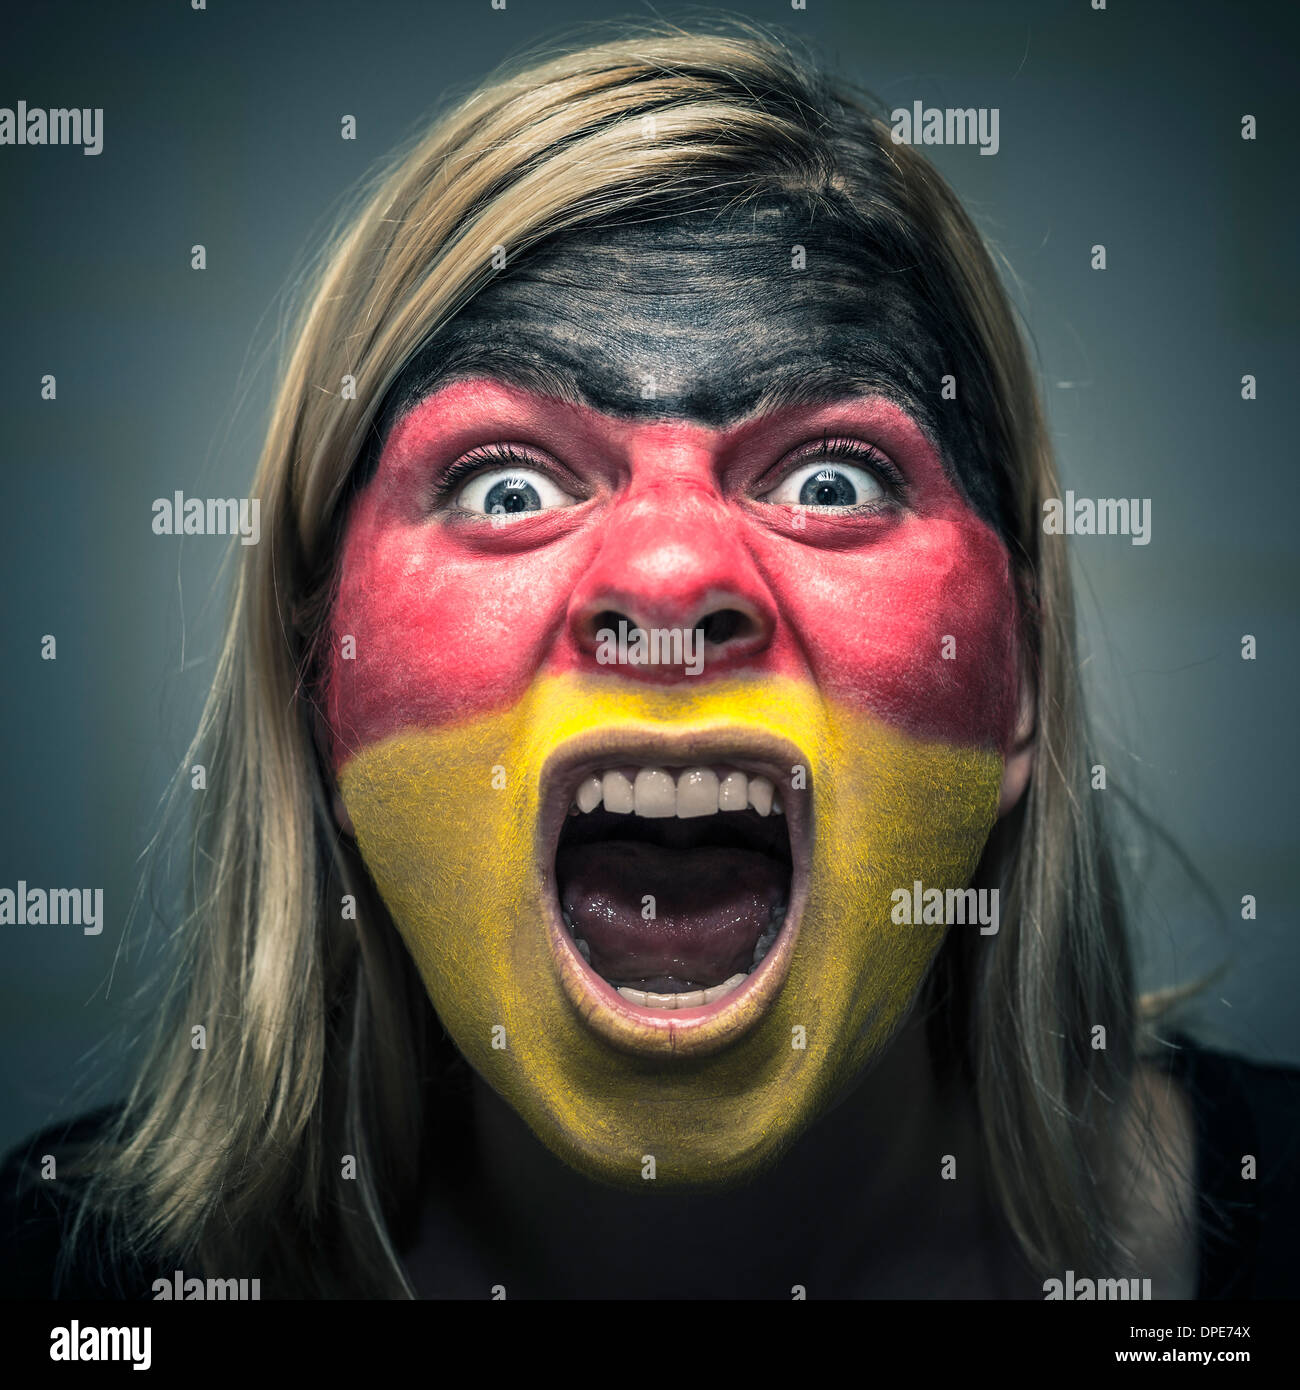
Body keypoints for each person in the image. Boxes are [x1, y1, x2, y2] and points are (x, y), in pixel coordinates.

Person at [4, 24, 1295, 1301]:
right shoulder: (65, 1284)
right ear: (317, 685)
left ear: (1019, 681)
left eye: (831, 477)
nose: (669, 581)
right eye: (507, 487)